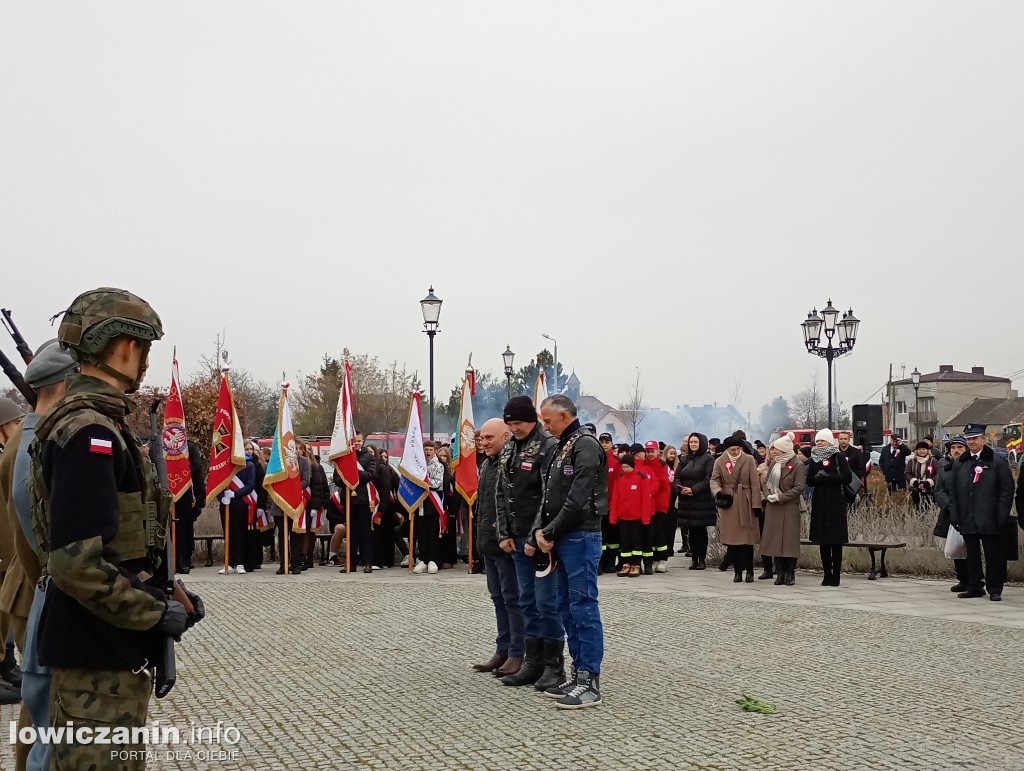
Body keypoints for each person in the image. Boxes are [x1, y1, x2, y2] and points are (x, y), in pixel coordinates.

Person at [30, 287, 202, 768]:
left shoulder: (94, 424)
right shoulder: (92, 433)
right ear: (127, 347)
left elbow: (117, 548)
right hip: (94, 654)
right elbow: (77, 564)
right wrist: (154, 611)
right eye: (144, 350)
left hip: (103, 650)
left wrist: (167, 593)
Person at [1, 341, 78, 764]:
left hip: (28, 585)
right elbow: (30, 529)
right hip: (35, 587)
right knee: (47, 714)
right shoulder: (33, 441)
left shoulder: (29, 435)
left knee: (37, 714)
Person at [536, 395, 605, 710]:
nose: (545, 426)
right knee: (565, 606)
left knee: (583, 607)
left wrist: (550, 531)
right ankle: (578, 673)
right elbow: (549, 495)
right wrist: (541, 529)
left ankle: (590, 680)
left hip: (581, 535)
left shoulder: (585, 445)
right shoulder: (563, 444)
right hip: (564, 537)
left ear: (564, 415)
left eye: (548, 420)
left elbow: (577, 498)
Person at [494, 396, 561, 687]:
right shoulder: (509, 445)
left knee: (547, 602)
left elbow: (548, 495)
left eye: (518, 423)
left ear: (532, 419)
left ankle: (553, 666)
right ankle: (532, 663)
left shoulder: (547, 446)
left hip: (541, 539)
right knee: (526, 600)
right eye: (510, 424)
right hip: (516, 537)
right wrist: (504, 532)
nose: (514, 428)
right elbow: (501, 491)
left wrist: (537, 533)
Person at [472, 418, 525, 675]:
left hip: (506, 544)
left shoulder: (512, 462)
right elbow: (483, 504)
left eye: (489, 438)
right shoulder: (488, 464)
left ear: (506, 436)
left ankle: (518, 652)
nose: (483, 443)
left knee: (512, 599)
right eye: (481, 438)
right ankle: (503, 649)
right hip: (489, 544)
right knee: (498, 598)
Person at [949, 424, 1014, 601]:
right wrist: (955, 514)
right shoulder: (960, 462)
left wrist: (1002, 515)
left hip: (990, 518)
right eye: (969, 439)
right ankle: (974, 586)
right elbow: (953, 491)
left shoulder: (996, 461)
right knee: (971, 555)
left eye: (975, 438)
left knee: (993, 555)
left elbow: (1007, 490)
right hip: (967, 517)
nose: (972, 442)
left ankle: (995, 589)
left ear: (983, 439)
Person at [711, 436, 762, 583]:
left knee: (747, 540)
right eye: (732, 449)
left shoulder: (749, 459)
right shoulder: (719, 461)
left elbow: (755, 483)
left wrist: (756, 504)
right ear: (726, 449)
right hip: (729, 502)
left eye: (738, 449)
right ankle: (738, 571)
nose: (735, 452)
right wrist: (718, 492)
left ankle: (750, 571)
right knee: (733, 541)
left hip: (746, 501)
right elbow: (714, 479)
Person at [759, 433, 806, 586]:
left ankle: (790, 573)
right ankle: (780, 572)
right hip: (774, 507)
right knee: (775, 541)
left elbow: (799, 488)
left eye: (776, 449)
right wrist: (768, 496)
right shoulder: (774, 464)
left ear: (784, 450)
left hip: (789, 506)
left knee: (789, 542)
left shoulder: (797, 465)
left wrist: (781, 497)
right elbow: (765, 483)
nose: (773, 452)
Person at [807, 429, 853, 586]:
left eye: (822, 441)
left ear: (829, 442)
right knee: (823, 541)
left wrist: (830, 476)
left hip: (836, 502)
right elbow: (809, 480)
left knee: (835, 541)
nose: (819, 443)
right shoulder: (813, 458)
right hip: (820, 502)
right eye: (818, 441)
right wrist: (816, 477)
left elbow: (847, 477)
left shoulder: (838, 456)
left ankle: (836, 575)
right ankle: (826, 574)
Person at [334, 432, 376, 574]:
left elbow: (370, 475)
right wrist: (346, 477)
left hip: (363, 500)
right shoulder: (343, 457)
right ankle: (350, 562)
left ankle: (367, 562)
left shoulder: (369, 457)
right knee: (351, 534)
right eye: (354, 441)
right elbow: (337, 479)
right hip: (348, 500)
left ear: (362, 441)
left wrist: (354, 472)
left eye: (359, 441)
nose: (357, 443)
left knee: (365, 533)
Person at [673, 433, 716, 570]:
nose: (693, 444)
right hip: (687, 501)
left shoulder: (708, 459)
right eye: (691, 442)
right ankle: (694, 559)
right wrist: (681, 488)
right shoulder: (684, 459)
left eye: (695, 442)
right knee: (691, 530)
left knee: (700, 531)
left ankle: (702, 559)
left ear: (701, 443)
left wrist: (693, 489)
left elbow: (708, 479)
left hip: (701, 500)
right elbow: (677, 476)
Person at [933, 435, 969, 592]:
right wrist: (948, 505)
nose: (956, 450)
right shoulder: (945, 467)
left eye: (959, 447)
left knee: (971, 548)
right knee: (955, 547)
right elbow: (939, 489)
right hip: (951, 513)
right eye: (953, 448)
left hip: (969, 512)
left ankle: (975, 579)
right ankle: (962, 579)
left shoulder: (972, 465)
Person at [609, 453, 651, 577]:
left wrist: (645, 518)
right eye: (623, 467)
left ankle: (636, 564)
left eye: (627, 467)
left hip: (636, 518)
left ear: (632, 466)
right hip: (623, 517)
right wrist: (613, 517)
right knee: (624, 541)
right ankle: (625, 564)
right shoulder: (619, 478)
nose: (625, 469)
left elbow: (645, 500)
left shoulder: (641, 478)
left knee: (636, 541)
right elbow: (615, 499)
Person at [218, 442, 256, 574]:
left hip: (241, 503)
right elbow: (218, 483)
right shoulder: (225, 465)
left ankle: (240, 563)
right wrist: (221, 497)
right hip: (226, 504)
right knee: (228, 534)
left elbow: (250, 485)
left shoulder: (249, 465)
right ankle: (228, 562)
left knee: (240, 534)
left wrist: (235, 494)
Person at [412, 440, 444, 575]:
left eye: (431, 450)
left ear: (434, 450)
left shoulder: (438, 466)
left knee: (432, 533)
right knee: (422, 534)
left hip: (432, 505)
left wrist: (424, 481)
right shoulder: (418, 466)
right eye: (426, 450)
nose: (428, 452)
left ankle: (433, 560)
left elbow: (437, 483)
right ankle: (423, 560)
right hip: (420, 505)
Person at [174, 440, 206, 574]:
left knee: (185, 530)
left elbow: (197, 470)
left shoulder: (190, 447)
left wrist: (200, 500)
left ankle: (184, 559)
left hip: (187, 495)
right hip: (170, 495)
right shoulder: (164, 446)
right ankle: (175, 559)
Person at [643, 440, 671, 572]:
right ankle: (654, 558)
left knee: (659, 531)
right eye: (647, 451)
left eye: (652, 451)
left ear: (657, 451)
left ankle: (663, 559)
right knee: (650, 532)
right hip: (648, 504)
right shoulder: (644, 464)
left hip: (660, 503)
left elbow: (660, 482)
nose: (650, 454)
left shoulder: (662, 465)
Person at [599, 433, 621, 574]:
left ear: (612, 444)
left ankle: (611, 563)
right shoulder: (595, 460)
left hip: (613, 506)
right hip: (599, 506)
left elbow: (619, 486)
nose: (604, 444)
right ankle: (599, 563)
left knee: (612, 538)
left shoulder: (617, 462)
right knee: (600, 538)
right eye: (602, 441)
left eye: (607, 441)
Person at [905, 441, 939, 510]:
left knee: (930, 510)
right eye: (919, 449)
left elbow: (938, 474)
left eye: (923, 449)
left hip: (930, 490)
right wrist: (914, 482)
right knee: (917, 510)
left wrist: (929, 482)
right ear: (916, 451)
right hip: (916, 490)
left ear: (927, 450)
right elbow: (907, 473)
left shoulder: (933, 461)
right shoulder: (912, 461)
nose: (921, 451)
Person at [837, 431, 866, 497]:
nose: (843, 441)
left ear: (849, 440)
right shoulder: (835, 453)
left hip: (852, 484)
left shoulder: (856, 452)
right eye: (841, 439)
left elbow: (861, 468)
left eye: (845, 439)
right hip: (838, 484)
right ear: (838, 440)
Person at [662, 445, 679, 558]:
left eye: (674, 454)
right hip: (663, 499)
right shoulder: (662, 466)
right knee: (663, 525)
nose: (672, 456)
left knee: (671, 525)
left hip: (673, 500)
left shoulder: (678, 466)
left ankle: (670, 548)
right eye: (670, 453)